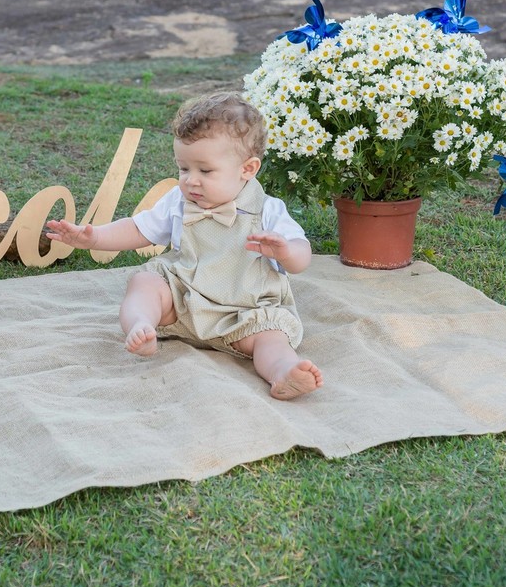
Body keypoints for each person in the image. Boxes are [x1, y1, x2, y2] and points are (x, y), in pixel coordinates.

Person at [44, 93, 323, 400]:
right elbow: (139, 229)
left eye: (205, 171)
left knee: (271, 338)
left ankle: (283, 372)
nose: (191, 181)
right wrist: (94, 237)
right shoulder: (179, 201)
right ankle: (142, 326)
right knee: (145, 283)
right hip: (185, 303)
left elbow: (301, 256)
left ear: (248, 169)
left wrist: (285, 252)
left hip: (245, 313)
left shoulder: (267, 210)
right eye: (184, 169)